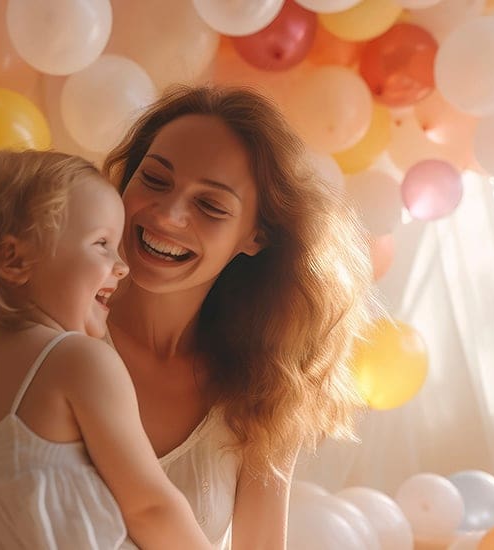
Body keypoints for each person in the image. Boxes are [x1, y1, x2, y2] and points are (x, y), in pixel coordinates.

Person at [101, 84, 378, 549]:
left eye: (210, 205)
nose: (168, 215)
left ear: (256, 236)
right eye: (153, 179)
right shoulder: (37, 326)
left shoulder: (261, 391)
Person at [0, 149, 213, 550]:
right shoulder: (77, 360)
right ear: (14, 261)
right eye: (101, 244)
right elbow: (151, 508)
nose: (122, 266)